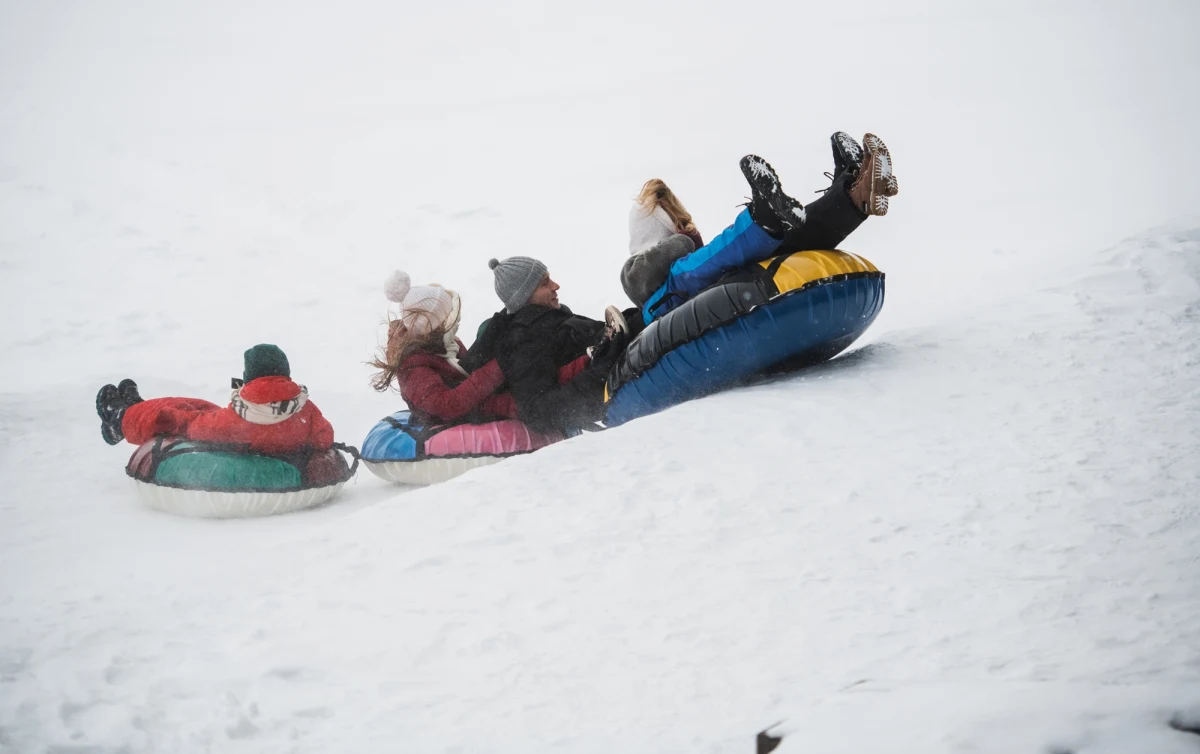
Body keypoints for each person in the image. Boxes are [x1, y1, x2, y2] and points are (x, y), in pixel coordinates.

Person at [635, 132, 899, 323]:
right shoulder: (639, 282)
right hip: (658, 314)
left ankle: (854, 193)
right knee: (686, 272)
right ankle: (764, 218)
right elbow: (661, 270)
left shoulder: (664, 268)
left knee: (786, 242)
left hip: (702, 291)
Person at [369, 271, 593, 424]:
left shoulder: (447, 345)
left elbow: (470, 372)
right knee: (529, 397)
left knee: (529, 365)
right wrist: (499, 367)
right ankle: (590, 376)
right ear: (433, 327)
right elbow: (447, 405)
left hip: (481, 401)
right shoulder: (413, 367)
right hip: (465, 414)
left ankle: (590, 358)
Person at [461, 257, 631, 434]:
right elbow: (540, 411)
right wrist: (600, 373)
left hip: (620, 369)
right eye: (545, 283)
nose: (555, 285)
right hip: (614, 389)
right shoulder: (525, 340)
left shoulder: (549, 317)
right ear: (524, 296)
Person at [95, 344, 336, 456]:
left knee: (176, 415)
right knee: (203, 407)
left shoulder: (235, 422)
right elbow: (324, 437)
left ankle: (122, 419)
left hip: (236, 428)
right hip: (250, 426)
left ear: (249, 377)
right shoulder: (306, 409)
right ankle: (138, 407)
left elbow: (194, 428)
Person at [622, 179, 706, 307]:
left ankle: (634, 317)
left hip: (635, 280)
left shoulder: (686, 239)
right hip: (648, 281)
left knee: (683, 243)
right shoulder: (686, 239)